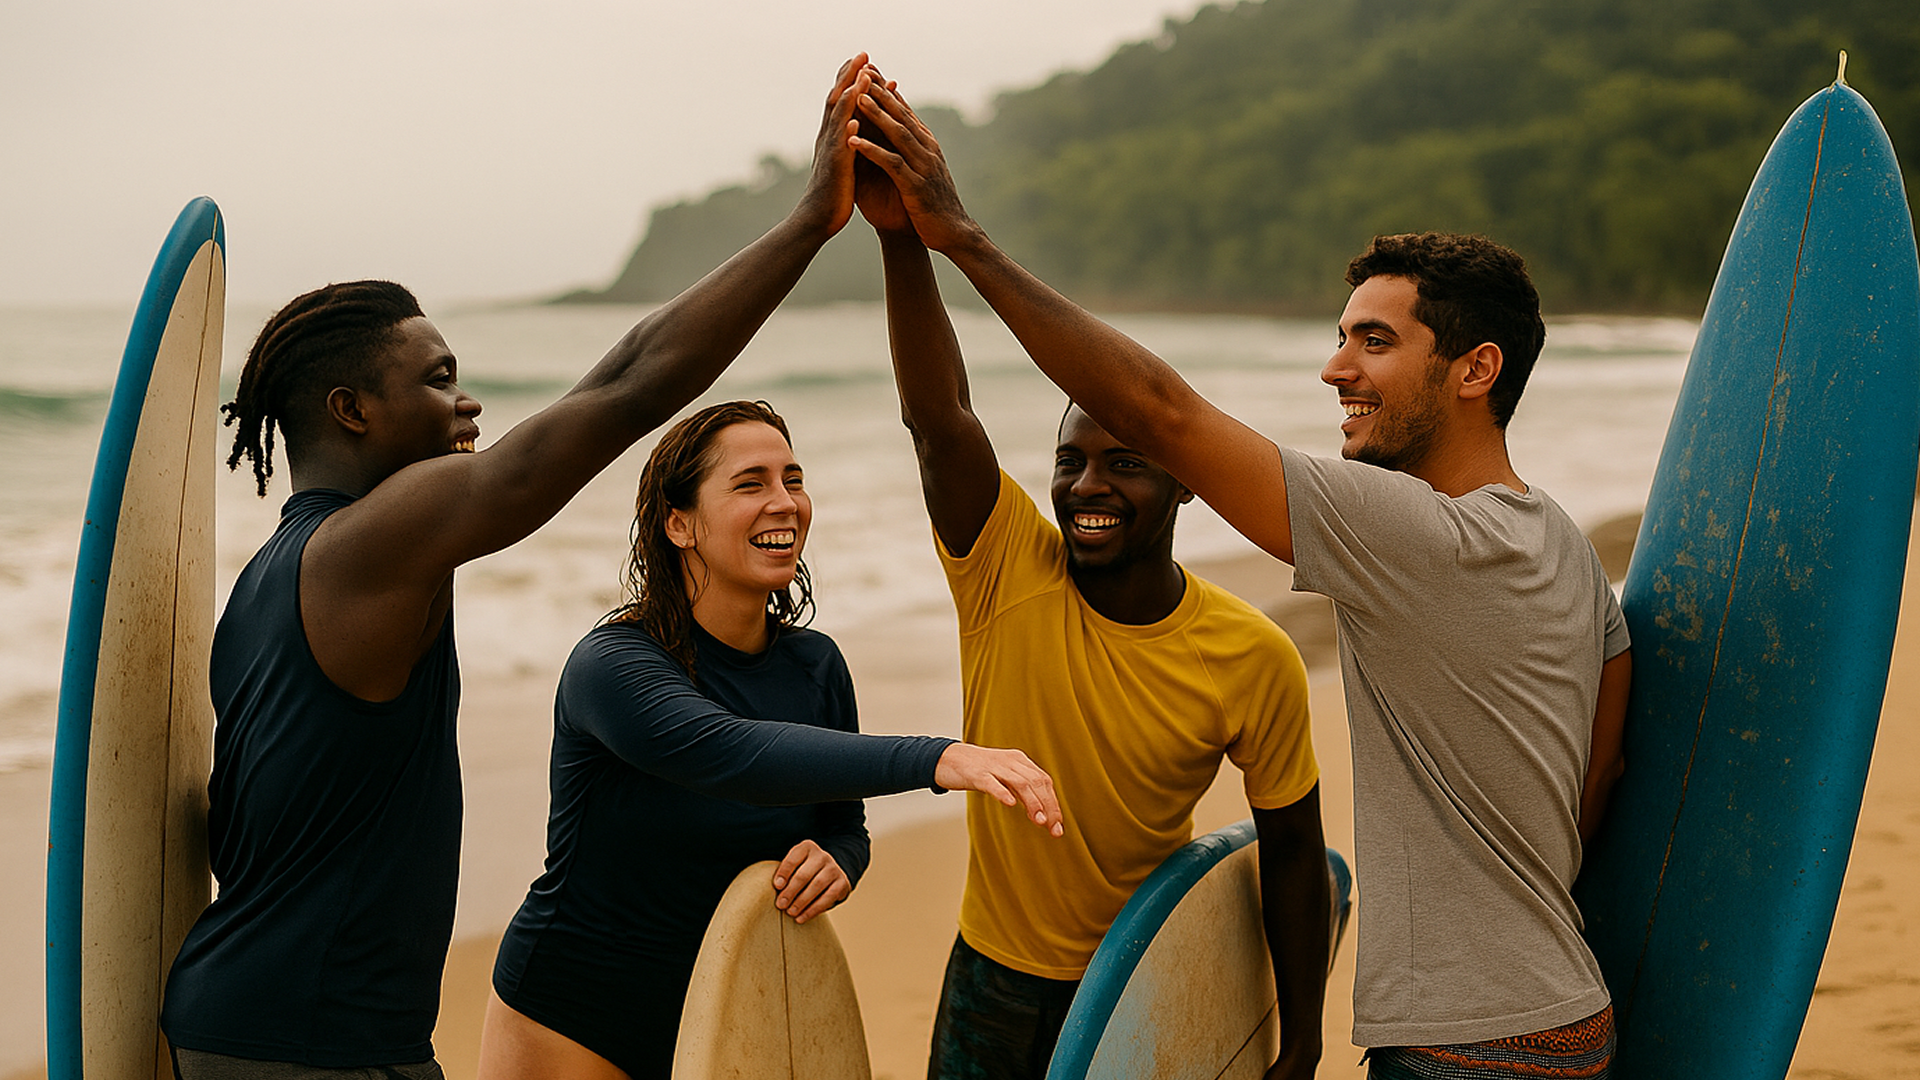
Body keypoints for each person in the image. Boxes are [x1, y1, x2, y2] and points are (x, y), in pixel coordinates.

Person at [156, 56, 1041, 1079]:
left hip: (273, 1022)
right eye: (438, 382)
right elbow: (625, 387)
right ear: (350, 410)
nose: (468, 408)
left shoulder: (266, 585)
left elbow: (239, 825)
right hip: (310, 1043)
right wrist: (810, 222)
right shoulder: (374, 542)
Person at [847, 69, 1633, 1080]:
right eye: (1339, 336)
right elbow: (1600, 774)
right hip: (1569, 1015)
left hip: (1463, 1040)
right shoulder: (1563, 542)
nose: (1334, 369)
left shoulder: (1411, 535)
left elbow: (1165, 413)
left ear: (1476, 370)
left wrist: (958, 236)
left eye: (1374, 342)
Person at [851, 155, 1329, 1080]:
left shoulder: (1252, 656)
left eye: (1126, 462)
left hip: (1143, 976)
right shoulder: (1004, 570)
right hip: (988, 977)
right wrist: (902, 238)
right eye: (1070, 460)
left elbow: (1295, 858)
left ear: (1187, 483)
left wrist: (1301, 1037)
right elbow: (939, 417)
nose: (1088, 486)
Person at [471, 400, 1063, 1080]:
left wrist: (840, 858)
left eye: (793, 479)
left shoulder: (815, 668)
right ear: (679, 523)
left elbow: (844, 822)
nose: (784, 502)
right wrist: (941, 756)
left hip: (734, 1015)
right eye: (750, 483)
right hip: (575, 1016)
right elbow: (730, 754)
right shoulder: (613, 666)